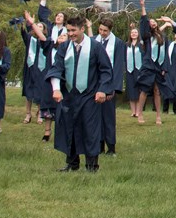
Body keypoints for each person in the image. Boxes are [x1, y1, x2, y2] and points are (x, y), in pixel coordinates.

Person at [46, 16, 113, 172]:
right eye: (68, 30)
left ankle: (92, 165)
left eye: (73, 30)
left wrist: (102, 89)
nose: (70, 34)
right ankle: (72, 163)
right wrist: (56, 88)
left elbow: (106, 70)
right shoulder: (64, 48)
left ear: (82, 29)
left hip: (89, 96)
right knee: (70, 128)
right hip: (69, 96)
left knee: (90, 130)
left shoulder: (95, 47)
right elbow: (56, 68)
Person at [88, 17, 126, 155]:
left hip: (109, 85)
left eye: (105, 31)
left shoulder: (118, 43)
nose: (102, 33)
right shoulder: (94, 42)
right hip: (95, 85)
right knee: (95, 117)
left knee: (108, 117)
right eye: (100, 30)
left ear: (110, 30)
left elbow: (118, 67)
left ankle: (111, 147)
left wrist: (113, 89)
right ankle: (99, 145)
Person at [23, 10, 60, 142]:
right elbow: (42, 37)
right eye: (60, 37)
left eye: (64, 36)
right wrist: (32, 24)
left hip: (64, 82)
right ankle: (47, 132)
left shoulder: (70, 49)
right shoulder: (50, 46)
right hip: (50, 80)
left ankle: (62, 132)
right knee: (49, 105)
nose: (62, 38)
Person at [136, 0, 172, 125]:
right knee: (145, 90)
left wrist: (164, 68)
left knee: (157, 91)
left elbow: (166, 54)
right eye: (150, 22)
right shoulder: (147, 37)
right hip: (148, 65)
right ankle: (139, 113)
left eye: (154, 21)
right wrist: (143, 7)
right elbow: (144, 23)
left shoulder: (163, 37)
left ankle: (158, 115)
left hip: (159, 66)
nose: (152, 23)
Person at [21, 12, 46, 124]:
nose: (38, 28)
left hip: (41, 70)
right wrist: (26, 22)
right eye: (37, 26)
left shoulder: (46, 41)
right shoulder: (30, 39)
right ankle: (28, 114)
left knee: (40, 91)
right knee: (28, 92)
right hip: (30, 68)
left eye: (41, 27)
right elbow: (23, 33)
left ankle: (40, 113)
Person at [124, 24, 144, 118]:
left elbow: (144, 57)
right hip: (129, 71)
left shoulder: (141, 44)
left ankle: (139, 111)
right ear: (130, 34)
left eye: (135, 32)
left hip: (139, 70)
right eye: (132, 32)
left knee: (139, 91)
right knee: (131, 90)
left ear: (138, 34)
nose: (134, 34)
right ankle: (133, 111)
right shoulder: (126, 45)